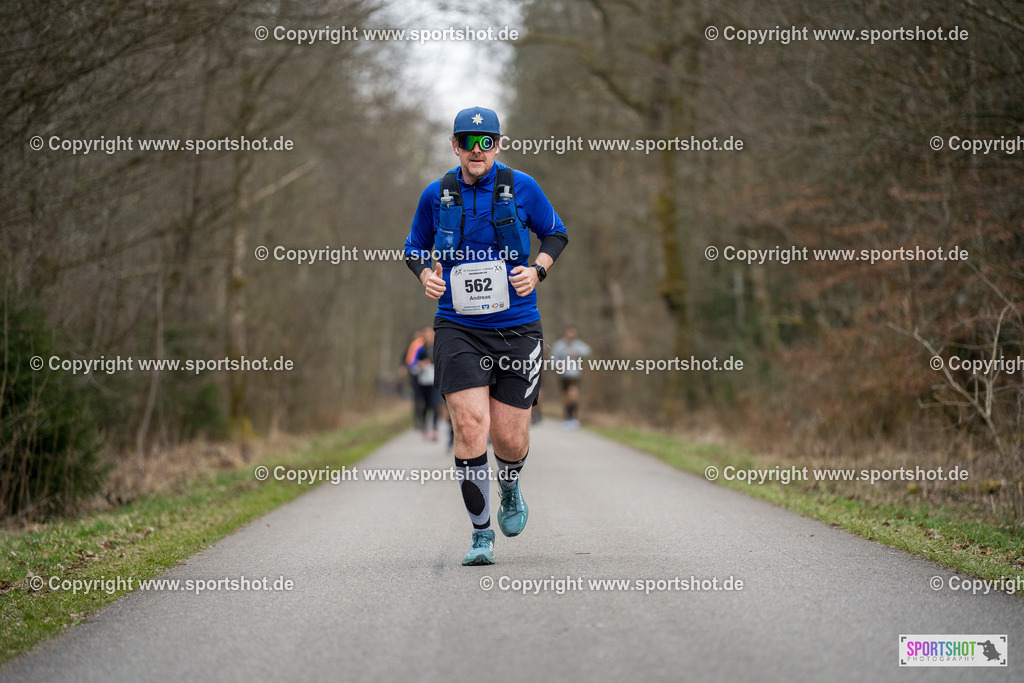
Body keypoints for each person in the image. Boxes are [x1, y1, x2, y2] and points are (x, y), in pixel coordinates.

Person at [404, 106, 568, 565]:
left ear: (498, 145)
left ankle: (510, 484)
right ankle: (480, 535)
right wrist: (424, 275)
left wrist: (537, 271)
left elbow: (556, 234)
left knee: (509, 441)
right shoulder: (436, 195)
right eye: (467, 142)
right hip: (458, 325)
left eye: (486, 142)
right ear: (454, 145)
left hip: (517, 326)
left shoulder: (523, 188)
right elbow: (413, 246)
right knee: (471, 424)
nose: (477, 151)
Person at [550, 325, 591, 428]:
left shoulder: (577, 344)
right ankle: (567, 418)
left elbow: (587, 350)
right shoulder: (559, 345)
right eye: (570, 332)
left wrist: (576, 352)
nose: (572, 335)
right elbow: (552, 358)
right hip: (563, 374)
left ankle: (574, 418)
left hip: (574, 374)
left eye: (573, 333)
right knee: (565, 397)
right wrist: (558, 364)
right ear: (566, 333)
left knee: (573, 395)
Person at [413, 328, 440, 441]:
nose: (429, 337)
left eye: (430, 334)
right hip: (423, 381)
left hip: (435, 381)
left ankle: (434, 430)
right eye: (426, 335)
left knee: (435, 405)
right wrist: (420, 364)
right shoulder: (420, 349)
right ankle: (425, 428)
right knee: (425, 406)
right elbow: (413, 364)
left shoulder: (437, 347)